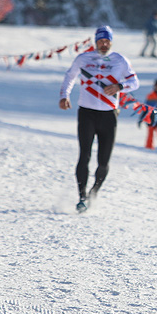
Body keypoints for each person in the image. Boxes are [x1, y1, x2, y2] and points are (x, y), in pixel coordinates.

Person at [59, 25, 139, 212]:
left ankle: (94, 192)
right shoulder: (84, 58)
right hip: (86, 113)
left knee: (103, 161)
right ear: (95, 42)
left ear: (111, 41)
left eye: (107, 41)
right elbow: (70, 76)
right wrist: (64, 95)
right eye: (101, 41)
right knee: (84, 156)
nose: (104, 44)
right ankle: (81, 196)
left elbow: (135, 81)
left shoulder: (120, 60)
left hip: (109, 115)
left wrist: (119, 86)